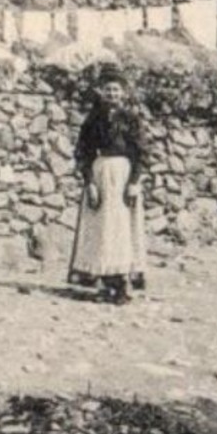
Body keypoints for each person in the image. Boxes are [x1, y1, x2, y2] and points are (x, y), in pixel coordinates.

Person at [69, 72, 147, 304]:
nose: (112, 94)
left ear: (123, 93)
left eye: (116, 89)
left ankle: (122, 282)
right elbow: (83, 152)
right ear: (102, 92)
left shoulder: (131, 119)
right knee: (101, 227)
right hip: (100, 173)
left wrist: (134, 182)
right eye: (108, 89)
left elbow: (141, 152)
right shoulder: (93, 120)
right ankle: (101, 279)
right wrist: (90, 182)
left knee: (121, 227)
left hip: (123, 174)